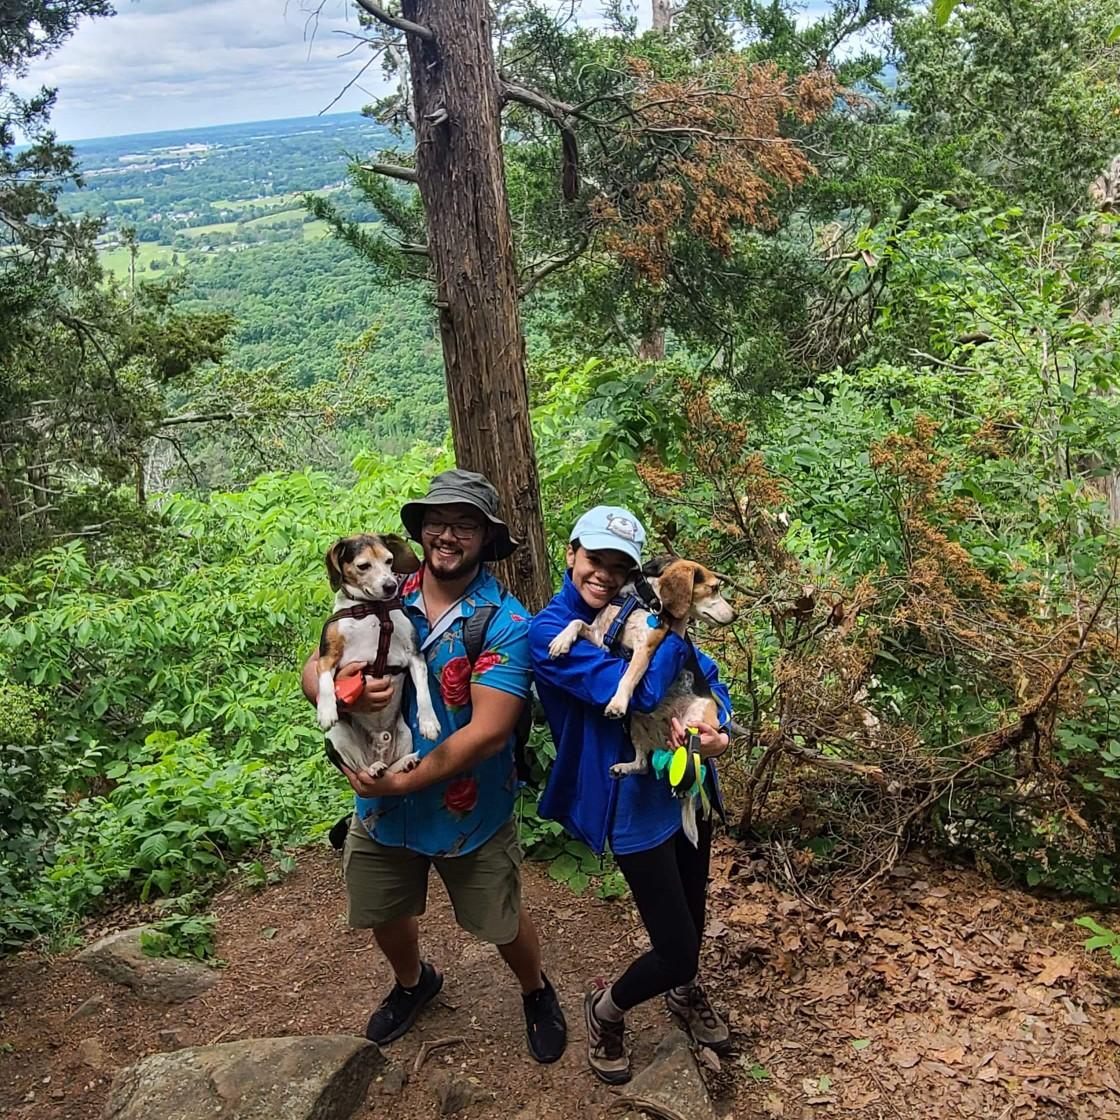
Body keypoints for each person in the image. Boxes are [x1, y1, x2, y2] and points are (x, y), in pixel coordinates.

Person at [301, 469, 566, 1064]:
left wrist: (404, 781)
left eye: (465, 525)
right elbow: (316, 667)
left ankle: (535, 989)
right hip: (379, 799)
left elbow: (488, 732)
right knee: (384, 908)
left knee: (500, 919)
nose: (448, 535)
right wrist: (341, 696)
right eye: (437, 523)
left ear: (486, 539)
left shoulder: (505, 621)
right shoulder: (382, 587)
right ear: (419, 533)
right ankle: (414, 983)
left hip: (467, 806)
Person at [528, 506, 732, 1084]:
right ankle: (607, 1009)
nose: (606, 575)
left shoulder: (640, 614)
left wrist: (718, 727)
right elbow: (639, 698)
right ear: (571, 554)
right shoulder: (549, 634)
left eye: (621, 566)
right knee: (677, 945)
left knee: (691, 913)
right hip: (631, 807)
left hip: (686, 786)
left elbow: (709, 677)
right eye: (596, 560)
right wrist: (676, 626)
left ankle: (684, 993)